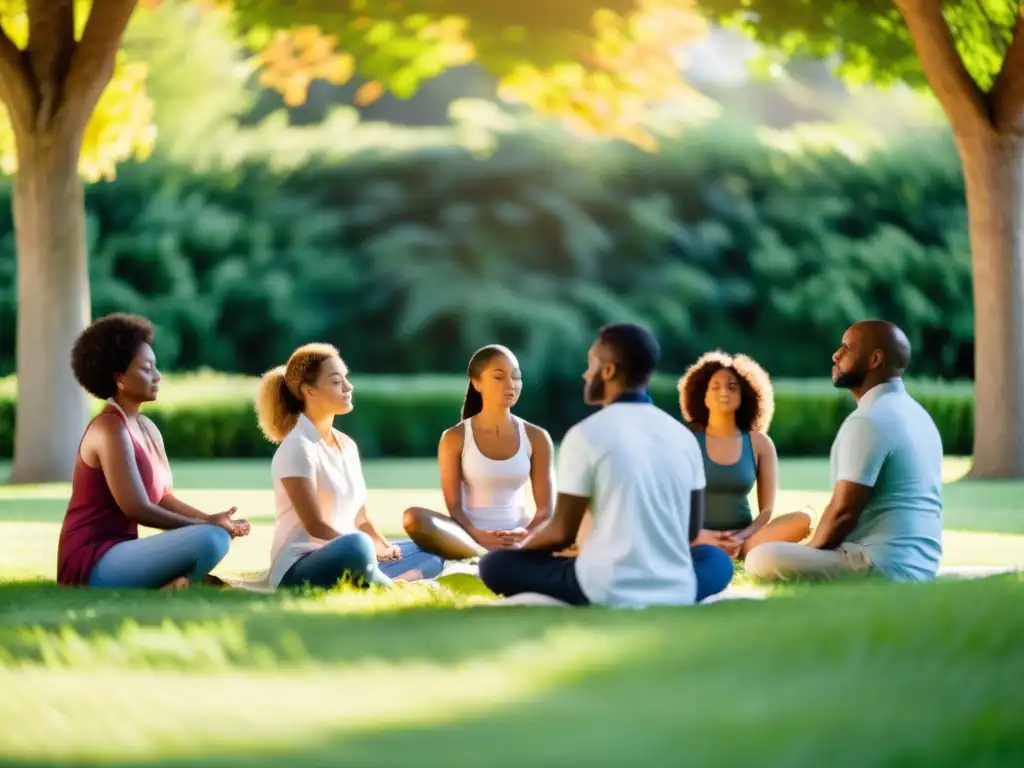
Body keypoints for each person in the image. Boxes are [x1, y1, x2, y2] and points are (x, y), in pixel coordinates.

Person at [478, 323, 735, 608]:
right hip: (675, 586)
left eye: (591, 364)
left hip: (603, 586)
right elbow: (689, 531)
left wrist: (523, 548)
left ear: (609, 371)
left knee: (495, 564)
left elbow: (561, 533)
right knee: (715, 560)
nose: (585, 374)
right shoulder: (683, 437)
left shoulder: (586, 434)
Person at [57, 313, 249, 590]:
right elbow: (136, 508)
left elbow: (162, 498)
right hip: (92, 560)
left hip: (123, 552)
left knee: (212, 536)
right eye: (147, 369)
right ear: (120, 378)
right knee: (210, 539)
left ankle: (178, 582)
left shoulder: (146, 427)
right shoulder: (110, 429)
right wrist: (201, 528)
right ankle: (181, 581)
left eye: (155, 367)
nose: (157, 376)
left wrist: (209, 519)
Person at [745, 320, 943, 583]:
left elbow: (843, 512)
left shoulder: (870, 419)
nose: (836, 354)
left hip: (880, 565)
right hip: (920, 567)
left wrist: (807, 554)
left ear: (874, 360)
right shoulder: (917, 415)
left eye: (847, 347)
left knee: (760, 557)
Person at [256, 342, 444, 590]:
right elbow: (315, 526)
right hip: (302, 565)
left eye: (346, 378)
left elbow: (361, 518)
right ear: (308, 390)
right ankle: (389, 583)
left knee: (432, 548)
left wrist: (382, 546)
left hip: (352, 550)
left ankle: (391, 582)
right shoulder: (297, 447)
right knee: (358, 546)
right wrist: (363, 546)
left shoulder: (347, 445)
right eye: (336, 382)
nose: (348, 387)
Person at [402, 345, 558, 561]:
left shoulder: (537, 437)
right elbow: (454, 507)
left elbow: (545, 512)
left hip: (520, 539)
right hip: (468, 536)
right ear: (477, 383)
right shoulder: (454, 438)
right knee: (414, 517)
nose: (511, 384)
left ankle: (501, 557)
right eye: (498, 377)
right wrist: (478, 535)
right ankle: (482, 557)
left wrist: (524, 536)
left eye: (516, 377)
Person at [677, 350, 812, 559]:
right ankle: (705, 545)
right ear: (702, 395)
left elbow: (766, 511)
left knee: (803, 519)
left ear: (745, 395)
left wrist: (741, 538)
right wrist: (700, 535)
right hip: (695, 537)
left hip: (745, 541)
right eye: (715, 387)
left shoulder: (760, 444)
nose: (724, 392)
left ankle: (735, 549)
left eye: (732, 387)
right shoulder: (686, 438)